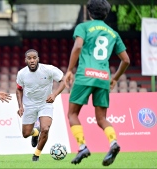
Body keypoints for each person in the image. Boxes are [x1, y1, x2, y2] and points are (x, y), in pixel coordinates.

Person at [63, 0, 130, 166]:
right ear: (106, 14)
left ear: (89, 12)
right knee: (101, 119)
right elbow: (126, 60)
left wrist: (70, 70)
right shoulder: (113, 33)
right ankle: (113, 142)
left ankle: (82, 146)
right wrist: (114, 78)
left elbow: (78, 47)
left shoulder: (83, 27)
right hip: (103, 78)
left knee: (72, 114)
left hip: (85, 75)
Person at [16, 49, 65, 161]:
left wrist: (54, 94)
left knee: (46, 128)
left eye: (34, 58)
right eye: (29, 58)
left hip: (45, 103)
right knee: (25, 134)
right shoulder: (21, 73)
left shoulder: (49, 69)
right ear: (26, 60)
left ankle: (36, 155)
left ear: (38, 59)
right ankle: (35, 132)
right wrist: (20, 106)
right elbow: (18, 89)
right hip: (29, 105)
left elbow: (63, 81)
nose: (32, 60)